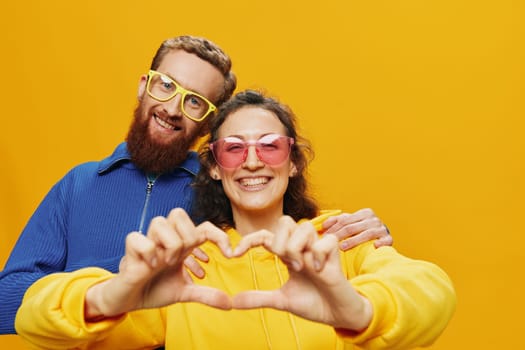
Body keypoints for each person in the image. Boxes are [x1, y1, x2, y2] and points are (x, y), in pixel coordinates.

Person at [0, 35, 392, 335]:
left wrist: (367, 232)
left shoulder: (226, 186)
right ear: (143, 85)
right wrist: (130, 279)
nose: (171, 109)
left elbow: (279, 240)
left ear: (208, 122)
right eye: (165, 86)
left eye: (194, 102)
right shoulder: (79, 184)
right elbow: (5, 304)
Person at [15, 90, 456, 349]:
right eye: (233, 148)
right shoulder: (187, 266)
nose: (251, 162)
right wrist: (112, 294)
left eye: (270, 146)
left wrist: (357, 310)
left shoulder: (337, 240)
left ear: (293, 162)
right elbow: (33, 316)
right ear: (213, 165)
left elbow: (430, 290)